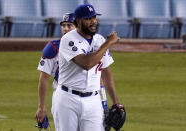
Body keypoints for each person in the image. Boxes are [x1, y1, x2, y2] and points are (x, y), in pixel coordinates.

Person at [52, 3, 124, 131]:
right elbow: (86, 63)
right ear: (78, 21)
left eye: (94, 17)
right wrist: (108, 43)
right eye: (88, 18)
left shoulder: (100, 40)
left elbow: (106, 73)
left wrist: (115, 101)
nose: (93, 22)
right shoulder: (68, 39)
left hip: (93, 101)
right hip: (68, 99)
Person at [35, 13, 75, 124]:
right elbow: (44, 78)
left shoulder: (89, 45)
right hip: (62, 97)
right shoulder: (53, 47)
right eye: (64, 25)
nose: (66, 28)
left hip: (87, 98)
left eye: (69, 25)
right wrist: (41, 106)